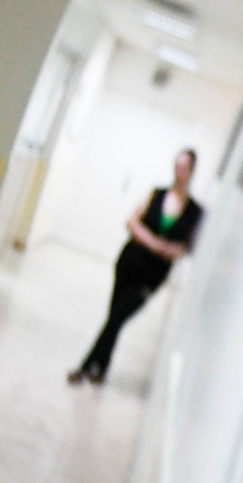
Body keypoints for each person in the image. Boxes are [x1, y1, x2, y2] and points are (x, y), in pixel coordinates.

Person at [68, 149, 202, 385]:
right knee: (114, 317)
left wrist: (170, 250)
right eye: (176, 164)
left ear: (191, 171)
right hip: (130, 262)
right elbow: (132, 221)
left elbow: (188, 246)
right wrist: (152, 242)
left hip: (152, 276)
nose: (178, 170)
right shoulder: (157, 193)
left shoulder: (195, 211)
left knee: (116, 317)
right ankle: (99, 369)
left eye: (183, 166)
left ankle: (86, 366)